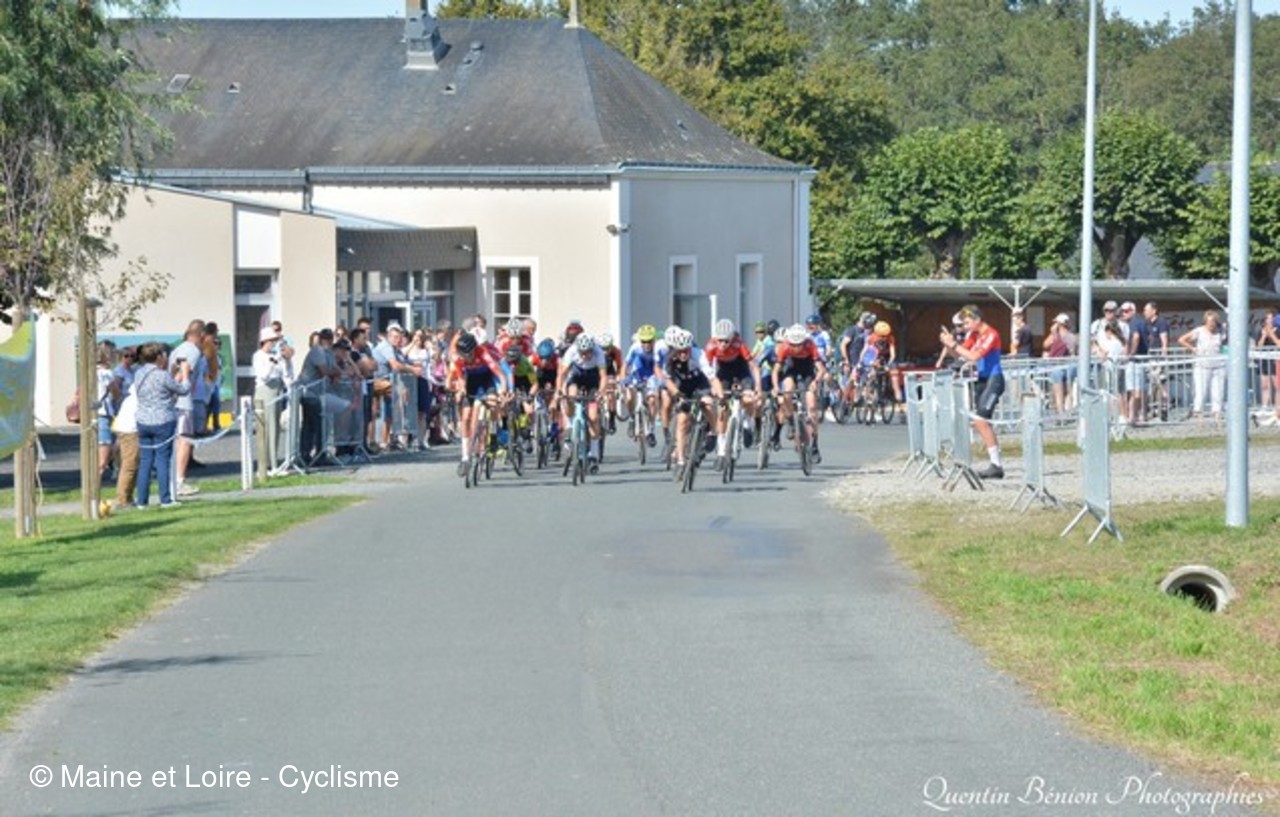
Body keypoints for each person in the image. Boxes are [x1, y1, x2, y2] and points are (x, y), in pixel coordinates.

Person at [939, 304, 1005, 480]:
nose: (965, 326)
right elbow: (961, 355)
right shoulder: (974, 335)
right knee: (980, 422)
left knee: (980, 420)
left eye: (967, 322)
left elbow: (974, 356)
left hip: (994, 379)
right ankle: (995, 461)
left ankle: (996, 465)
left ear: (977, 320)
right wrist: (949, 344)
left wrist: (954, 344)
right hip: (981, 379)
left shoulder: (991, 334)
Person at [133, 342, 191, 508]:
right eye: (164, 355)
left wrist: (172, 372)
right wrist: (185, 374)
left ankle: (142, 501)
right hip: (163, 421)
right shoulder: (162, 375)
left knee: (145, 461)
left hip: (143, 421)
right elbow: (183, 390)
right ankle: (165, 499)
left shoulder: (139, 373)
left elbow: (161, 389)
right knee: (162, 460)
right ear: (158, 357)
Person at [704, 319, 761, 467]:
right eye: (720, 341)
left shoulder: (739, 344)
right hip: (724, 373)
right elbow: (706, 369)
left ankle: (748, 423)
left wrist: (758, 388)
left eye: (726, 341)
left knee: (748, 399)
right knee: (722, 409)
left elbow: (753, 367)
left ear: (732, 338)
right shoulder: (711, 346)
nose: (723, 344)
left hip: (742, 371)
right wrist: (710, 387)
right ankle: (721, 450)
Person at [662, 328, 716, 471]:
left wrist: (717, 393)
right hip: (681, 386)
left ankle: (713, 432)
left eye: (686, 350)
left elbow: (711, 377)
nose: (683, 354)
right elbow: (667, 380)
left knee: (708, 405)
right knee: (682, 420)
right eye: (680, 351)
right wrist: (677, 395)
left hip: (699, 383)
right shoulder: (669, 358)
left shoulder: (699, 354)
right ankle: (680, 459)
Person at [774, 323, 829, 463]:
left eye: (799, 344)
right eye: (794, 344)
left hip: (807, 372)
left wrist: (815, 382)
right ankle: (790, 421)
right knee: (787, 391)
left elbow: (821, 369)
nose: (797, 347)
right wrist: (776, 387)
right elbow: (776, 371)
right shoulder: (784, 347)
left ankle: (815, 445)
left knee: (812, 407)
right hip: (791, 370)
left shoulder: (810, 345)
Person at [169, 319, 208, 496]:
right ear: (201, 335)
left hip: (175, 401)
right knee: (184, 440)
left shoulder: (178, 349)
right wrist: (174, 393)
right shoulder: (193, 351)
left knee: (178, 440)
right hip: (182, 402)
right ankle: (179, 480)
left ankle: (174, 479)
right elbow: (181, 374)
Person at [253, 324, 291, 470]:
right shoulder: (258, 356)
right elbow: (263, 375)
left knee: (275, 427)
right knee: (267, 427)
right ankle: (266, 464)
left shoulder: (275, 355)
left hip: (277, 390)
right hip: (265, 391)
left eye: (274, 341)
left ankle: (274, 462)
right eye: (271, 341)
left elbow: (285, 373)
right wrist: (273, 362)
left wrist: (285, 359)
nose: (273, 344)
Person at [1179, 310, 1226, 422]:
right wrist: (1192, 348)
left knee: (1218, 390)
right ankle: (1198, 411)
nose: (1211, 324)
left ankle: (1217, 412)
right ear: (1205, 321)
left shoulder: (1220, 332)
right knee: (1201, 390)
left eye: (1213, 321)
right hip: (1202, 365)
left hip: (1218, 365)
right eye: (1209, 321)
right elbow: (1181, 339)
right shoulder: (1199, 331)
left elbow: (1225, 343)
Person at [1042, 314, 1077, 418]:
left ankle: (1061, 415)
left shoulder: (1055, 335)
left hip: (1056, 365)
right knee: (1068, 391)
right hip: (1070, 365)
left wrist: (1052, 332)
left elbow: (1045, 344)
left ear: (1059, 324)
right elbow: (1074, 351)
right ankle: (1069, 412)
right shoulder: (1072, 336)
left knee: (1058, 392)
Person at [1142, 302, 1171, 421]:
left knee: (1162, 383)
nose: (1144, 312)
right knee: (1152, 384)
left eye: (1146, 310)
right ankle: (1153, 410)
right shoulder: (1146, 323)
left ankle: (1164, 409)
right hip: (1149, 357)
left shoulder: (1161, 322)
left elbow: (1164, 340)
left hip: (1158, 358)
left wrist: (1163, 356)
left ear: (1154, 311)